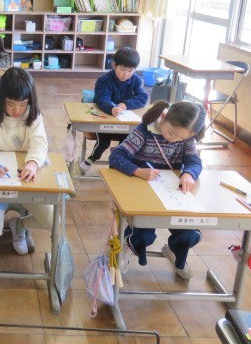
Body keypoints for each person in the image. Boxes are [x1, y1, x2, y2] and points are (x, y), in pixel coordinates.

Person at [109, 100, 206, 279]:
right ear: (163, 117)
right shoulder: (144, 131)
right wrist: (138, 171)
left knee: (189, 233)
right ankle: (126, 249)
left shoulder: (186, 139)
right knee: (142, 234)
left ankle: (174, 251)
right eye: (171, 133)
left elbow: (194, 162)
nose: (173, 139)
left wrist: (189, 174)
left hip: (171, 195)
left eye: (180, 138)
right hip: (143, 193)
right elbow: (116, 156)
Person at [0, 68, 51, 255]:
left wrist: (32, 164)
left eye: (23, 104)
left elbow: (40, 144)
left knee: (52, 220)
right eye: (11, 104)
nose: (17, 110)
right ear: (1, 99)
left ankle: (20, 225)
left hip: (24, 181)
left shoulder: (33, 115)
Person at [80, 47, 148, 172]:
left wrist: (126, 104)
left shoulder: (136, 80)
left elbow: (143, 98)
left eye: (130, 71)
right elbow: (102, 99)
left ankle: (116, 164)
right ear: (114, 65)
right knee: (103, 142)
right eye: (123, 69)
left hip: (124, 124)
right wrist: (111, 108)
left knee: (126, 143)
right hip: (104, 122)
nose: (126, 74)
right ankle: (92, 158)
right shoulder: (104, 80)